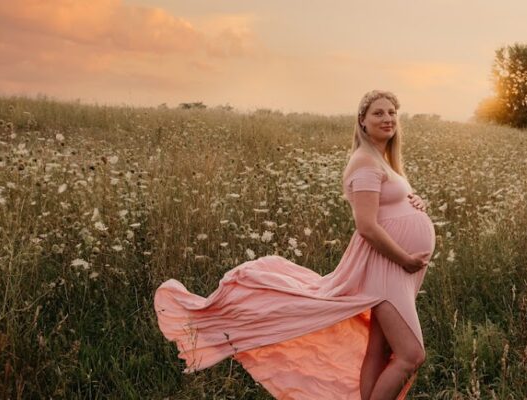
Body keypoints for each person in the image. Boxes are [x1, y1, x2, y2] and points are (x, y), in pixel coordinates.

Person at [154, 89, 435, 400]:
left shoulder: (381, 161)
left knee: (379, 349)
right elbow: (366, 227)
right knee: (411, 355)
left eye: (392, 112)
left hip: (394, 269)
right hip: (388, 268)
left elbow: (384, 208)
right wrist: (405, 259)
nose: (388, 118)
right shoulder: (365, 162)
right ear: (362, 121)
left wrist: (413, 203)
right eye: (378, 113)